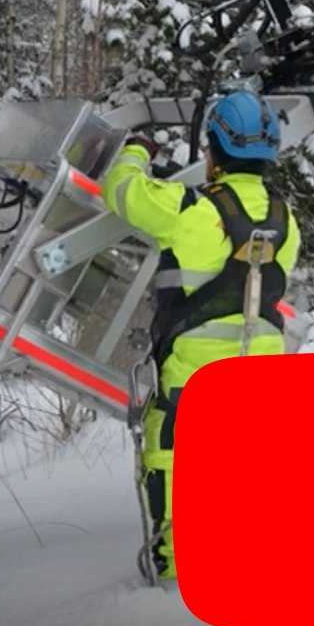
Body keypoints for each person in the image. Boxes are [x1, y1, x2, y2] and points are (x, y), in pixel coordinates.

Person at [100, 90, 300, 582]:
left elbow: (121, 191)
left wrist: (138, 149)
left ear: (212, 149)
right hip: (261, 371)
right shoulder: (285, 219)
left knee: (171, 457)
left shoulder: (189, 208)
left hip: (195, 374)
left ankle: (178, 572)